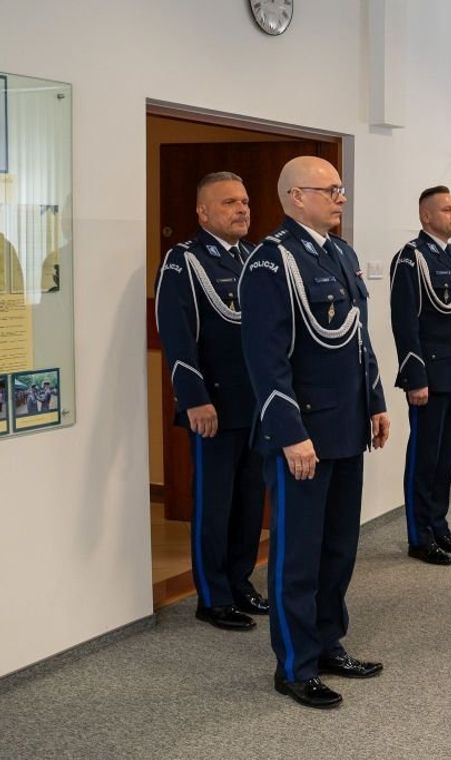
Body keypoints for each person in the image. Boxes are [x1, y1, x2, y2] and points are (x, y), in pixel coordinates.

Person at [240, 156, 390, 708]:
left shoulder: (341, 254)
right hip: (302, 431)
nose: (340, 198)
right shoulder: (271, 262)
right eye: (330, 190)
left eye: (341, 189)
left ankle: (328, 641)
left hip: (347, 425)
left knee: (338, 548)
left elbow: (358, 341)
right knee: (297, 554)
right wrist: (288, 432)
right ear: (295, 197)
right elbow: (265, 358)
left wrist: (374, 402)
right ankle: (295, 665)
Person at [154, 171, 268, 633]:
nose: (241, 209)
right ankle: (212, 595)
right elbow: (177, 336)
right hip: (214, 406)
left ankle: (240, 582)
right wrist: (194, 398)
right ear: (203, 212)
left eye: (244, 201)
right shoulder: (183, 261)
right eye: (228, 203)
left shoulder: (256, 260)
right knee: (214, 502)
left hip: (255, 404)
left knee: (248, 501)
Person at [389, 186, 451, 566]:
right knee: (424, 457)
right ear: (426, 216)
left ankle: (439, 525)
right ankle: (419, 536)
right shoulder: (411, 258)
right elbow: (404, 322)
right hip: (428, 373)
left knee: (445, 457)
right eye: (447, 209)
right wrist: (414, 376)